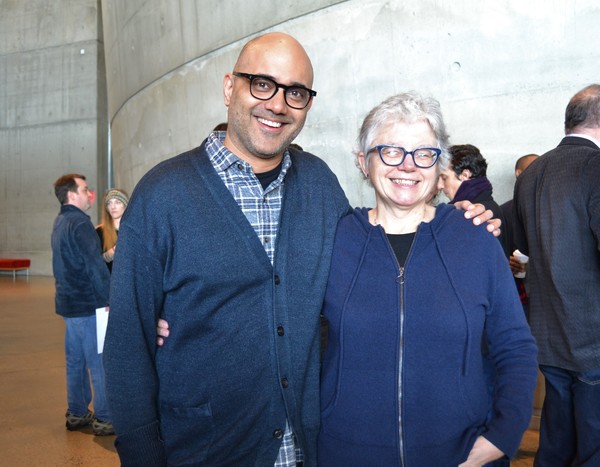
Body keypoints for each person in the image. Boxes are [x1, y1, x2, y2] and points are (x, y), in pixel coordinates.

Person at [104, 32, 498, 467]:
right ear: (229, 87)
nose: (277, 104)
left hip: (308, 448)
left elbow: (378, 253)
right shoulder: (163, 194)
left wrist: (455, 227)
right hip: (205, 449)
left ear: (307, 104)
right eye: (261, 84)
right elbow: (128, 341)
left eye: (295, 92)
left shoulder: (318, 182)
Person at [317, 93, 538, 466]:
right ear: (363, 162)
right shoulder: (332, 241)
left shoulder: (476, 237)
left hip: (462, 454)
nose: (408, 166)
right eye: (391, 151)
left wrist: (501, 437)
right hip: (348, 452)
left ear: (439, 168)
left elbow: (515, 346)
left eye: (423, 154)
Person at [513, 84, 600, 467]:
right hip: (593, 337)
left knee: (556, 438)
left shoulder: (530, 174)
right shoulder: (595, 166)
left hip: (547, 333)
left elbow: (522, 250)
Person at [51, 174, 114, 436]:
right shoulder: (80, 224)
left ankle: (77, 412)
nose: (90, 194)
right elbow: (95, 267)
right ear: (72, 194)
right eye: (85, 190)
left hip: (69, 305)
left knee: (75, 361)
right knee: (98, 361)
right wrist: (110, 300)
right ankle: (105, 417)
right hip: (89, 306)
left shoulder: (61, 221)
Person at [438, 144, 507, 254]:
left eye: (444, 178)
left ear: (465, 175)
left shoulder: (470, 212)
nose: (439, 185)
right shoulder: (493, 206)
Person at [499, 154, 539, 312]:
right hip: (519, 296)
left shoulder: (554, 207)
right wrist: (508, 263)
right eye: (533, 168)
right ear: (518, 173)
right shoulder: (504, 211)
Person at [95, 188, 129, 273]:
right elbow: (94, 262)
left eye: (117, 202)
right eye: (109, 203)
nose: (113, 207)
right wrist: (110, 253)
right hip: (109, 281)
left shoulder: (133, 231)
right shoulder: (99, 232)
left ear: (125, 205)